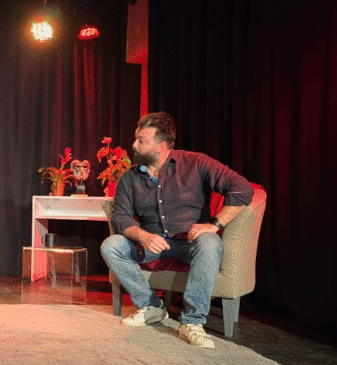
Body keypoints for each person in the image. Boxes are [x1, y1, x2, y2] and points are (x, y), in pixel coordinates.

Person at [100, 112, 253, 349]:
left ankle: (192, 322)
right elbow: (120, 216)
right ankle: (151, 306)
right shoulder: (130, 178)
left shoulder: (196, 163)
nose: (134, 145)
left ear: (161, 145)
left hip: (189, 244)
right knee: (111, 246)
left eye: (141, 140)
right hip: (150, 245)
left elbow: (242, 189)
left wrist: (214, 224)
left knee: (210, 242)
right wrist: (143, 236)